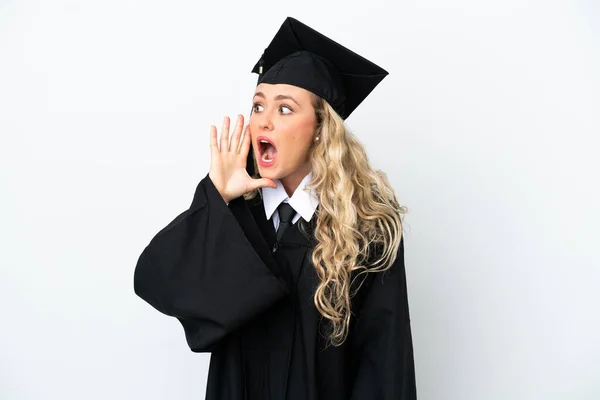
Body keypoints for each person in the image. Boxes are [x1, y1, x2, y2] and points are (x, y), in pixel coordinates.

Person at [134, 16, 417, 400]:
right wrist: (216, 196)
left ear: (320, 127)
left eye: (285, 109)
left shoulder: (366, 228)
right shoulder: (234, 214)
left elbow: (383, 367)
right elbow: (159, 283)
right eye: (258, 106)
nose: (264, 121)